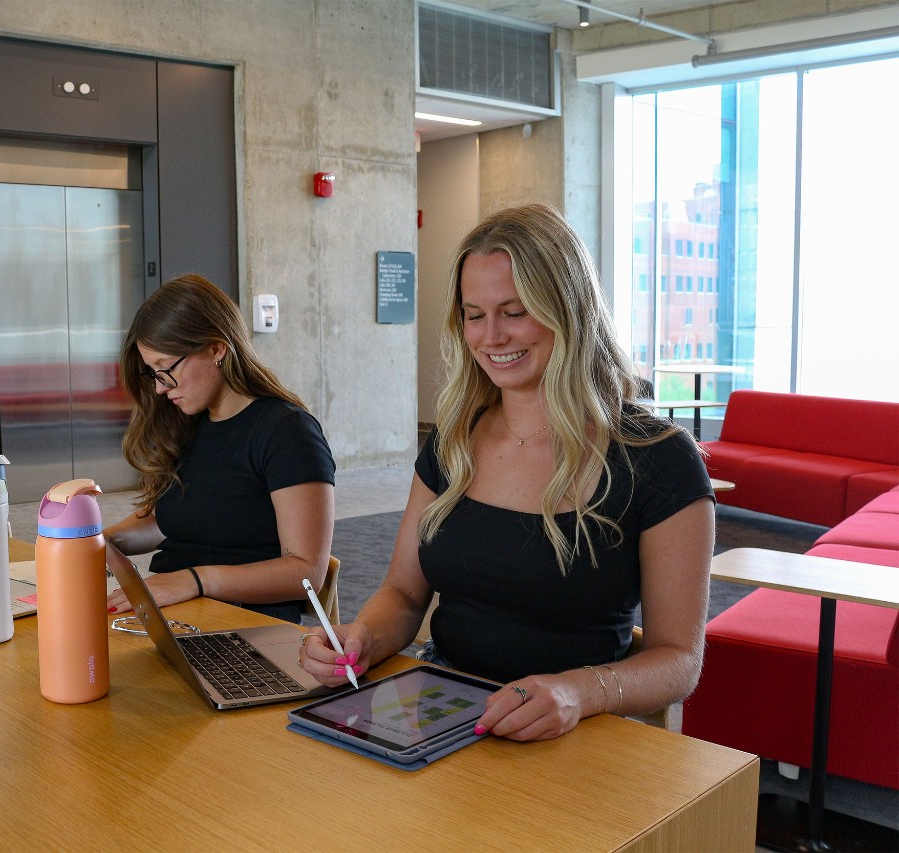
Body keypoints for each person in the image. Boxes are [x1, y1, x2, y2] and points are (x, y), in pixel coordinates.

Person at [301, 203, 715, 741]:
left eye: (514, 311)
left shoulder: (659, 459)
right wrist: (361, 639)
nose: (491, 336)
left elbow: (679, 661)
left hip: (575, 736)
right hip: (443, 716)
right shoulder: (454, 438)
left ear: (568, 310)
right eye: (475, 314)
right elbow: (403, 595)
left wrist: (576, 692)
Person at [104, 274, 335, 624]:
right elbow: (168, 520)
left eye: (165, 370)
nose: (160, 389)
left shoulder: (287, 432)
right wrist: (102, 541)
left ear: (216, 348)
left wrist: (195, 580)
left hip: (243, 621)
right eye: (153, 374)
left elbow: (305, 574)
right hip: (172, 610)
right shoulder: (186, 421)